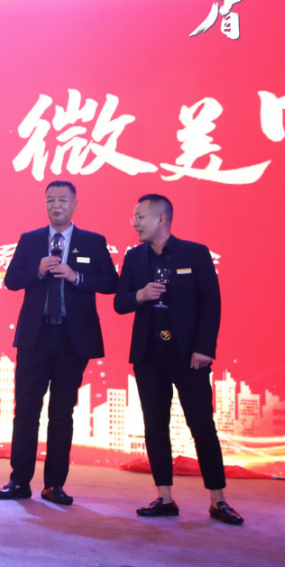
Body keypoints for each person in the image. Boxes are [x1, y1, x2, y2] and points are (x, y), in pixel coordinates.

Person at [115, 194, 243, 525]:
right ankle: (164, 497)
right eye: (134, 217)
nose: (135, 223)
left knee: (202, 426)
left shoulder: (195, 253)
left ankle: (218, 500)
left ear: (161, 218)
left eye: (140, 217)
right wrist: (140, 295)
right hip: (148, 355)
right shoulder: (134, 257)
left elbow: (211, 303)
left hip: (188, 356)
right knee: (155, 427)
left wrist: (204, 348)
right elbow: (120, 302)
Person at [0, 180, 118, 505]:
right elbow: (11, 280)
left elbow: (111, 282)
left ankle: (54, 485)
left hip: (71, 339)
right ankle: (19, 481)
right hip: (35, 338)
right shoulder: (30, 240)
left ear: (75, 204)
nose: (56, 205)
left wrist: (78, 277)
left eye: (63, 200)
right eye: (50, 200)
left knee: (62, 414)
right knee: (26, 412)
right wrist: (37, 271)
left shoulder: (92, 241)